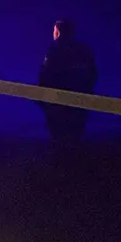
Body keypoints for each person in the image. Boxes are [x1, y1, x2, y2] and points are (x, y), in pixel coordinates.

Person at [38, 19, 98, 148]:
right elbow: (92, 74)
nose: (53, 33)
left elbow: (45, 74)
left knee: (60, 136)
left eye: (54, 30)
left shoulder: (55, 50)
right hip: (80, 99)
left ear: (58, 32)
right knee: (75, 135)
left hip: (58, 101)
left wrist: (43, 96)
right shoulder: (83, 50)